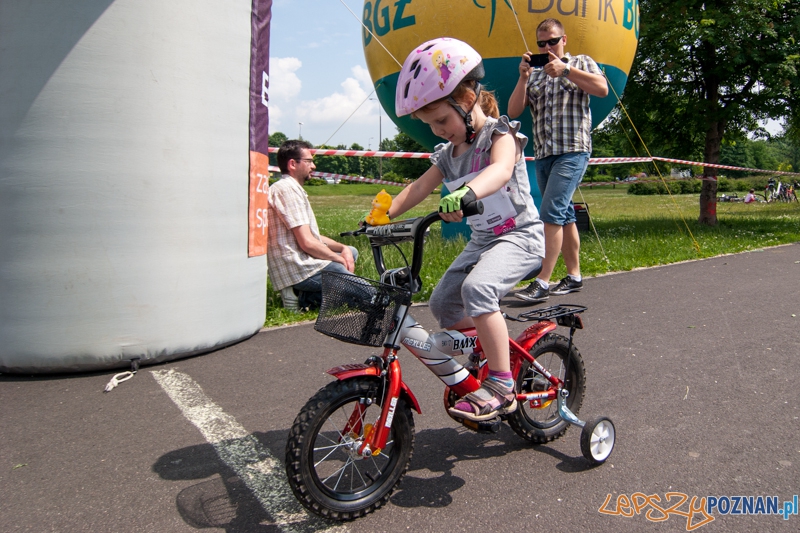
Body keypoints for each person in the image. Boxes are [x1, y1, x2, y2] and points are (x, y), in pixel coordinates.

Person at [387, 38, 545, 422]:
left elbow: (501, 170)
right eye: (431, 125)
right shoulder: (447, 154)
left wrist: (464, 193)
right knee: (442, 303)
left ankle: (502, 384)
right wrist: (383, 214)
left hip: (520, 238)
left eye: (442, 120)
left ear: (468, 97)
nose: (440, 131)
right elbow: (420, 187)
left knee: (478, 289)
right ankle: (485, 348)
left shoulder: (499, 134)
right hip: (483, 243)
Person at [507, 18, 609, 303]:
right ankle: (574, 276)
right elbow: (514, 110)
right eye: (541, 43)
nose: (547, 47)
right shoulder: (536, 74)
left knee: (550, 211)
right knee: (564, 216)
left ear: (564, 39)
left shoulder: (580, 62)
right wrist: (524, 77)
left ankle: (542, 281)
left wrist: (566, 70)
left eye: (552, 41)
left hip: (573, 150)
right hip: (544, 153)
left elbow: (601, 89)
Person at [267, 140, 358, 311]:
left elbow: (311, 235)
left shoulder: (291, 188)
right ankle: (301, 296)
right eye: (309, 161)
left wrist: (343, 247)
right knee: (367, 295)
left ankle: (305, 297)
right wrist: (337, 259)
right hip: (299, 267)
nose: (314, 166)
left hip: (304, 259)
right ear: (293, 164)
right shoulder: (287, 189)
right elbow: (307, 243)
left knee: (351, 252)